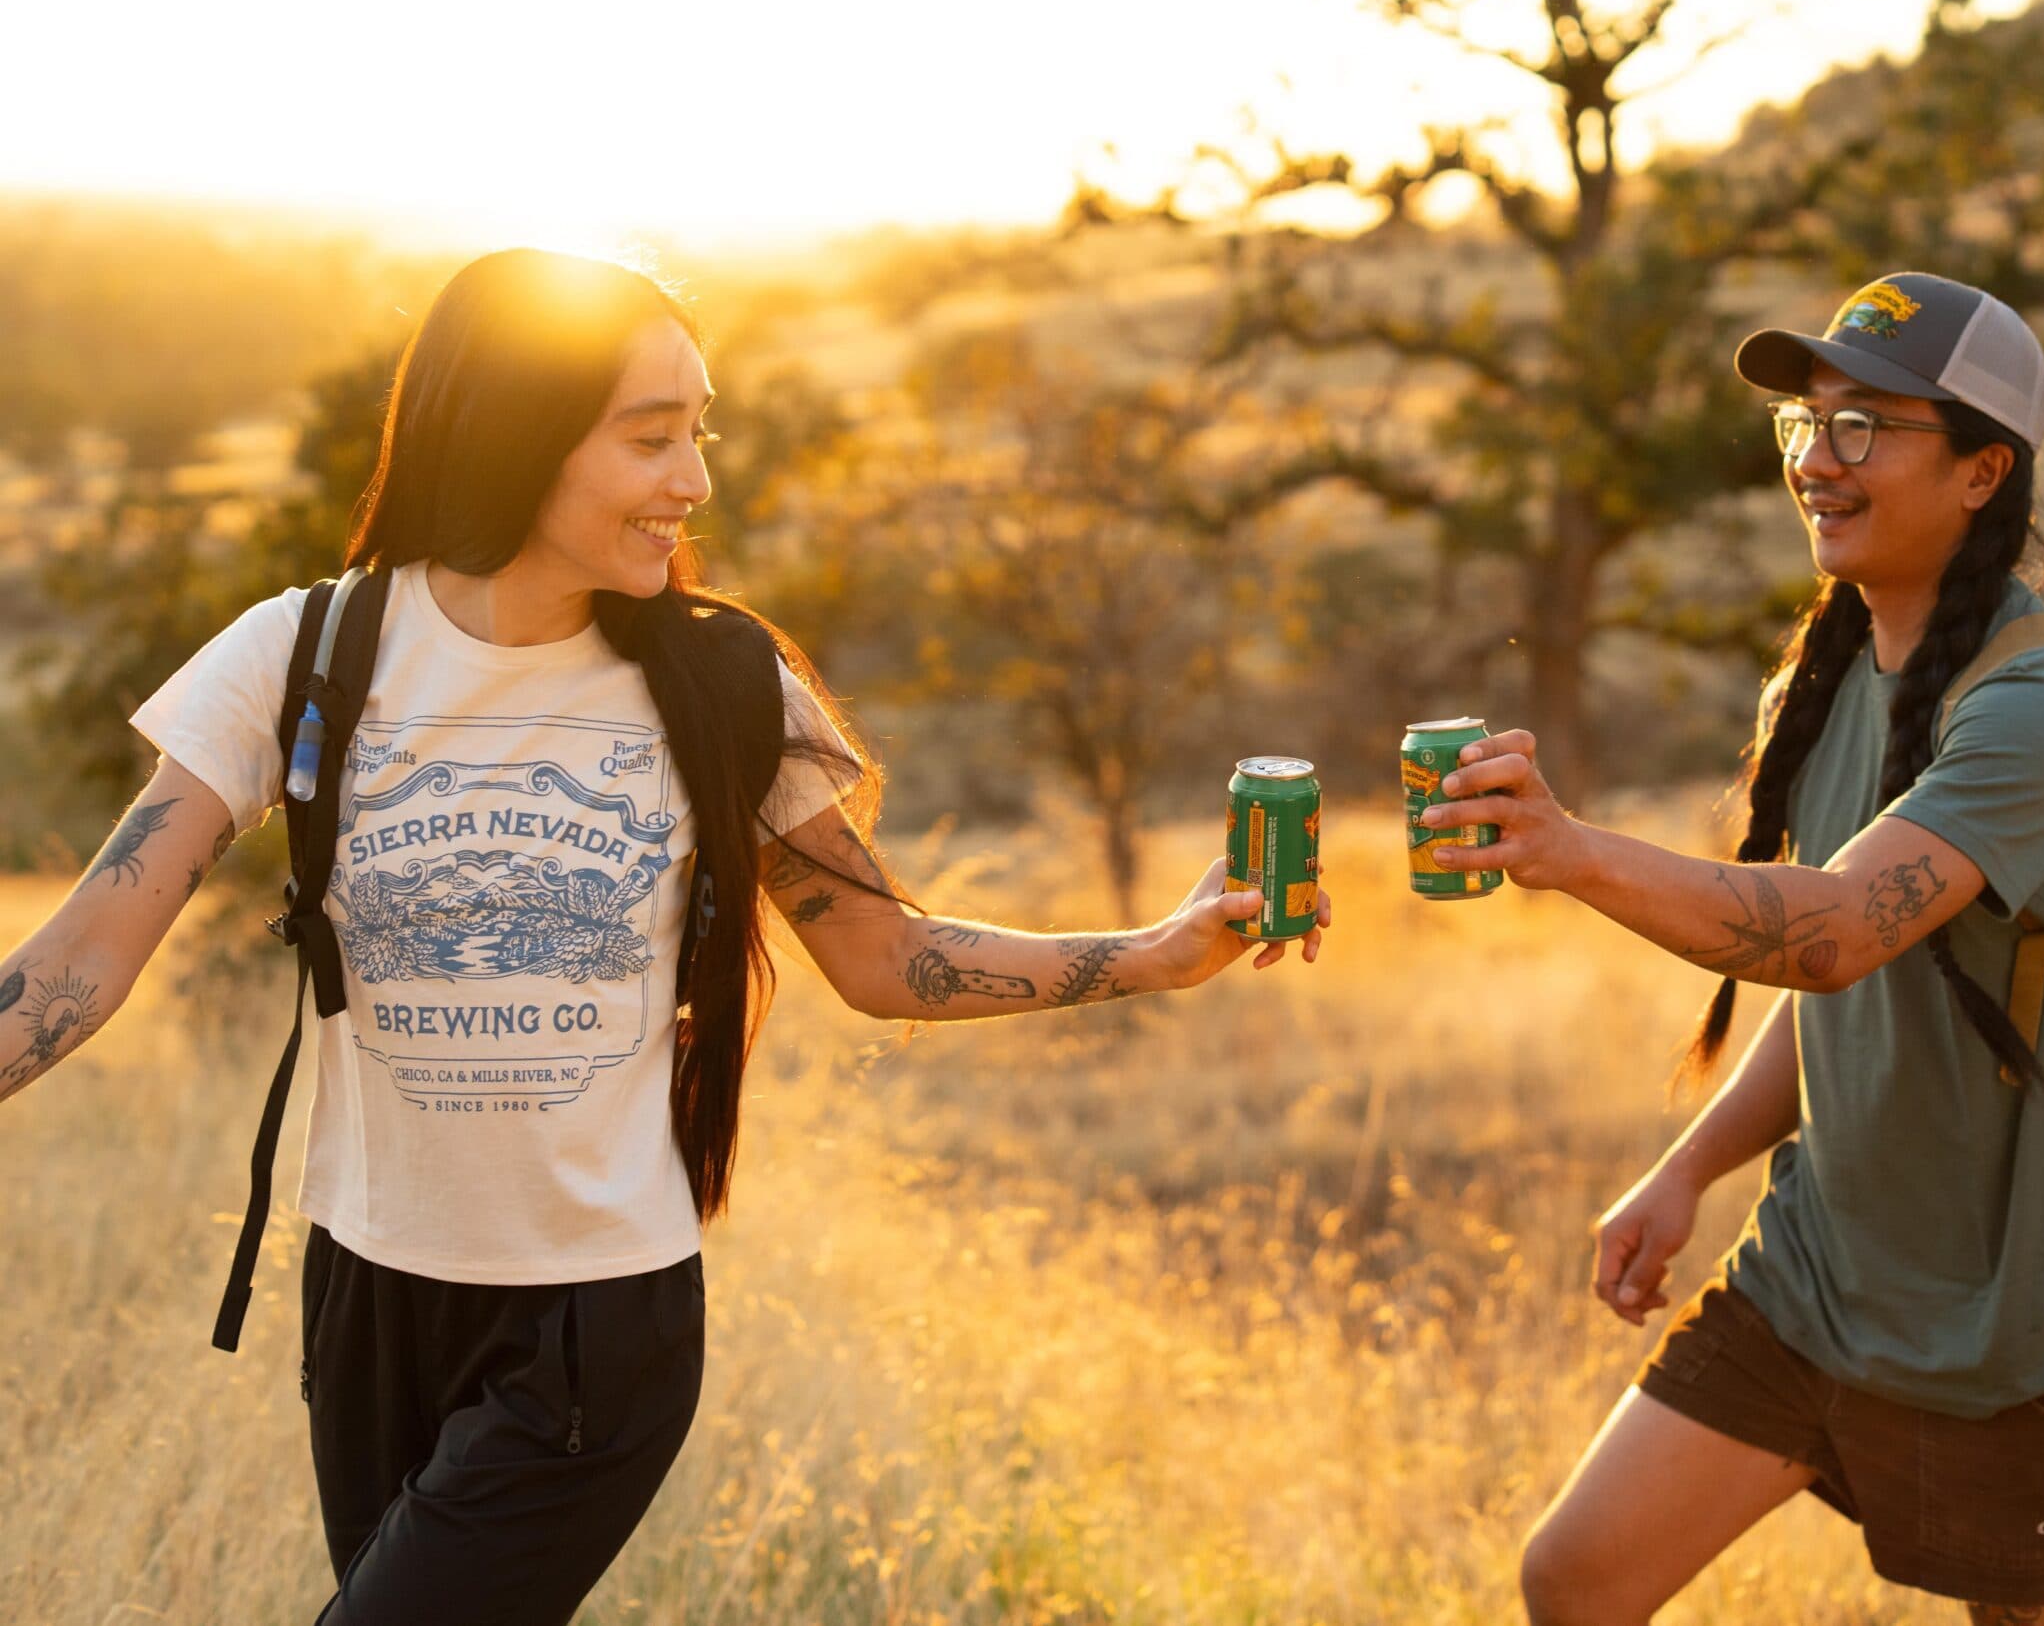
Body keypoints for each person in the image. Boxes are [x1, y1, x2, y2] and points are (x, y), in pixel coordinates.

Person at [0, 247, 1327, 1625]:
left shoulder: (720, 682)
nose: (693, 479)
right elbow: (87, 958)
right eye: (651, 438)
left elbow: (882, 958)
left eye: (700, 431)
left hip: (593, 1323)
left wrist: (1156, 955)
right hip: (367, 1293)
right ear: (516, 439)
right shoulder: (307, 654)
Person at [1425, 275, 2044, 1625]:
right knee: (1576, 1579)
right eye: (1807, 427)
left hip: (2025, 1326)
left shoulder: (2039, 713)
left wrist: (1570, 851)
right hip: (1822, 1275)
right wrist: (1688, 1168)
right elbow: (1847, 986)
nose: (1818, 463)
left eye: (1867, 429)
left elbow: (1828, 936)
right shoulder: (1834, 676)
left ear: (1984, 471)